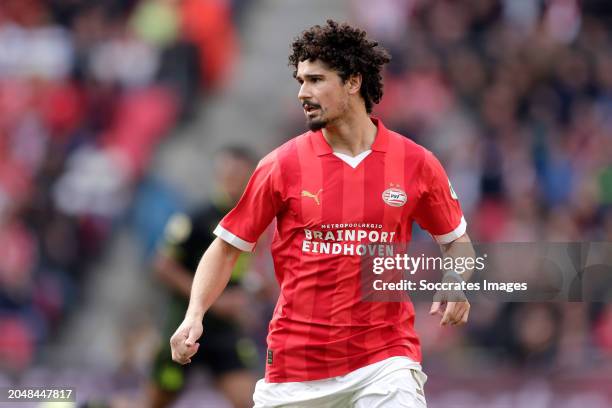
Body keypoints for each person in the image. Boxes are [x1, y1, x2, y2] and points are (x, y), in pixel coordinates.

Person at [171, 20, 474, 407]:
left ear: (353, 82)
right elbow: (226, 248)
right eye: (300, 80)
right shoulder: (282, 164)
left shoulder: (416, 163)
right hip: (295, 369)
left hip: (385, 361)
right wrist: (194, 314)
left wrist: (455, 280)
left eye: (316, 80)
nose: (302, 92)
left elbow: (457, 243)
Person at [150, 146, 260, 408]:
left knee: (250, 402)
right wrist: (212, 300)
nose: (233, 179)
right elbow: (162, 265)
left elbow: (244, 272)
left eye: (240, 174)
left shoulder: (255, 219)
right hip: (187, 327)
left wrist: (248, 296)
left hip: (224, 331)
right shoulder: (196, 217)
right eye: (229, 173)